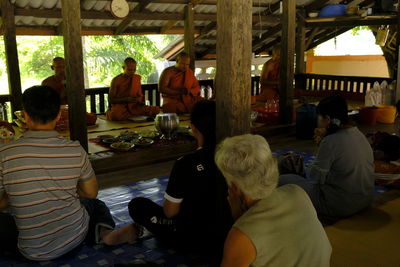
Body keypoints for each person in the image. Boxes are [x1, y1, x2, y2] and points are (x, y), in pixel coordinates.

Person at [0, 86, 138, 261]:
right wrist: (65, 188)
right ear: (58, 115)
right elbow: (90, 193)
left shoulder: (4, 153)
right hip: (74, 238)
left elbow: (1, 203)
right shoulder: (75, 149)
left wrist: (21, 193)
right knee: (95, 204)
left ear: (25, 116)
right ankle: (105, 233)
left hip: (30, 250)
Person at [128, 100, 232, 260]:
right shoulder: (235, 156)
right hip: (229, 234)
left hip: (190, 238)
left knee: (137, 206)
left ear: (193, 128)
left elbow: (170, 212)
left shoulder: (185, 163)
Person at [215, 134, 332, 267]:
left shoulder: (240, 237)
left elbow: (252, 231)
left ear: (235, 187)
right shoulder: (296, 192)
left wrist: (237, 219)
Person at [280, 94, 375, 218]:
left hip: (339, 205)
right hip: (365, 200)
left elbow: (315, 177)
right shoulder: (359, 134)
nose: (318, 119)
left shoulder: (330, 141)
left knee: (283, 180)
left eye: (320, 116)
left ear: (328, 119)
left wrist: (320, 145)